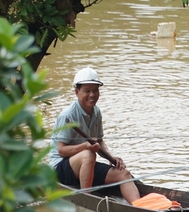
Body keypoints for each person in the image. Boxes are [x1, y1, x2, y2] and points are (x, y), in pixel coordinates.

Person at [47, 67, 139, 203]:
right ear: (77, 92)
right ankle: (88, 201)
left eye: (95, 90)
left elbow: (99, 142)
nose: (92, 95)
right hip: (61, 168)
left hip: (84, 165)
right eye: (87, 91)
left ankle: (141, 208)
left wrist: (112, 158)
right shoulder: (68, 115)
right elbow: (61, 151)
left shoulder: (96, 112)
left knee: (123, 174)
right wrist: (85, 146)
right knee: (88, 154)